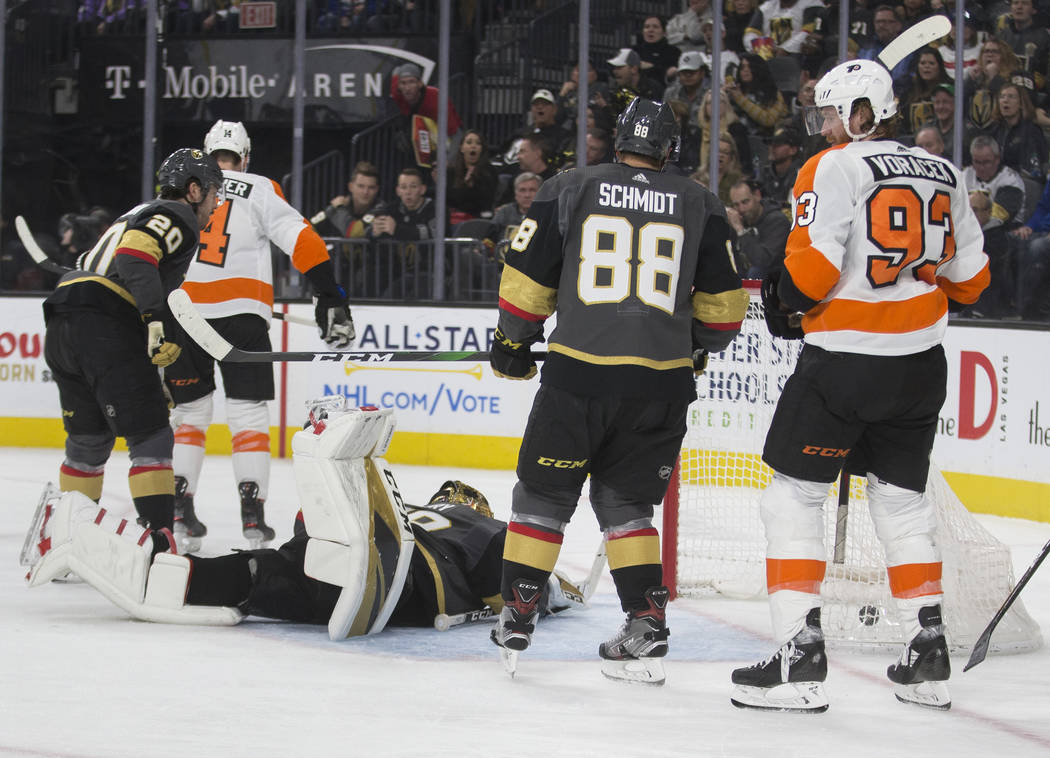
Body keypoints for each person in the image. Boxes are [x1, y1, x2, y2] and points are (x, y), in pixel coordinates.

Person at [731, 59, 988, 713]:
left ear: (863, 110)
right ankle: (927, 654)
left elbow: (813, 276)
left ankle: (799, 659)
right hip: (920, 368)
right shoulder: (945, 171)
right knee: (903, 507)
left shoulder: (831, 168)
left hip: (843, 365)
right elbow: (973, 281)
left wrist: (780, 284)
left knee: (792, 501)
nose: (823, 127)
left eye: (830, 114)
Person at [487, 97, 749, 684]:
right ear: (669, 149)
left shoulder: (569, 186)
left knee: (544, 495)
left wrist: (511, 342)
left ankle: (520, 609)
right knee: (628, 508)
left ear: (617, 140)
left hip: (579, 374)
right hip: (660, 386)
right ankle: (646, 622)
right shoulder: (702, 202)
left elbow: (528, 282)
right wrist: (700, 345)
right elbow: (727, 313)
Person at [21, 403, 587, 637]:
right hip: (396, 580)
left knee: (254, 573)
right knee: (275, 574)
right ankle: (348, 516)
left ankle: (341, 491)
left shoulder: (438, 510)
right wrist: (559, 590)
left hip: (371, 560)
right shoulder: (486, 529)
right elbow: (516, 580)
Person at [165, 121, 355, 553]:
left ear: (205, 152)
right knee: (247, 416)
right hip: (242, 316)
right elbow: (300, 239)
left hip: (185, 311)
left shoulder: (186, 187)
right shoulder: (259, 187)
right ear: (245, 157)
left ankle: (179, 508)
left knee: (190, 414)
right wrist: (329, 294)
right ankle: (253, 516)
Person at [40, 148, 222, 542]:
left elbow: (102, 264)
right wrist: (155, 318)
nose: (214, 205)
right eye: (212, 194)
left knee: (88, 441)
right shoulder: (179, 215)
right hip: (103, 321)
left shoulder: (131, 214)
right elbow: (135, 255)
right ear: (193, 190)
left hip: (63, 318)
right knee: (153, 434)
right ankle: (159, 542)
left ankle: (65, 538)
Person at [388, 62, 462, 174]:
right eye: (403, 83)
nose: (407, 88)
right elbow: (396, 71)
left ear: (420, 83)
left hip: (446, 138)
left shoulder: (435, 99)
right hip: (419, 137)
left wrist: (447, 162)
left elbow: (457, 135)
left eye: (411, 82)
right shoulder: (396, 92)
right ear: (399, 86)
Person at [984, 81, 1047, 181]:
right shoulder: (995, 129)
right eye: (1002, 96)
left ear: (1021, 104)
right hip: (997, 182)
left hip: (1026, 184)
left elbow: (1033, 169)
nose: (1005, 100)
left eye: (1011, 97)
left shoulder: (1031, 131)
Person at [726, 179, 790, 278]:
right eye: (736, 205)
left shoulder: (777, 221)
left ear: (757, 195)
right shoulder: (738, 220)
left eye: (745, 202)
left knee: (756, 271)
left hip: (774, 281)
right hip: (743, 281)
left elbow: (763, 261)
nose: (741, 209)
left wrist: (741, 230)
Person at [964, 134, 1027, 226]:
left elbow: (997, 219)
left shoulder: (1011, 181)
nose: (981, 168)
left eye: (986, 162)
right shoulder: (965, 175)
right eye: (977, 162)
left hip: (1004, 232)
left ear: (997, 159)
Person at [723, 53, 788, 139]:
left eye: (750, 67)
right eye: (742, 67)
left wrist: (740, 99)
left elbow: (768, 120)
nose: (745, 70)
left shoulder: (773, 93)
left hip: (766, 139)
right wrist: (722, 94)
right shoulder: (734, 91)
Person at [312, 161, 382, 239]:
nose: (365, 192)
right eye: (361, 186)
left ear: (377, 190)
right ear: (350, 187)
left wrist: (340, 208)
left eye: (371, 187)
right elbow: (308, 228)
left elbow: (353, 233)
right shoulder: (340, 205)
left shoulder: (381, 209)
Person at [446, 129, 499, 222]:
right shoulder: (451, 171)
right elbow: (450, 200)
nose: (473, 146)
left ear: (482, 149)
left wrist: (475, 183)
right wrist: (465, 184)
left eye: (478, 143)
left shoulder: (489, 171)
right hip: (456, 218)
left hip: (480, 218)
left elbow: (488, 201)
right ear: (461, 148)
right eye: (469, 142)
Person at [741, 0, 824, 59]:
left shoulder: (812, 4)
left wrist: (785, 49)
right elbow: (751, 32)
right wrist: (759, 47)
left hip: (797, 55)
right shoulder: (767, 7)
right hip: (767, 54)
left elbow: (807, 32)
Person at [898, 47, 952, 136]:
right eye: (922, 63)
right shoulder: (909, 91)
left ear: (939, 66)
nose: (926, 66)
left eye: (931, 63)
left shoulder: (949, 88)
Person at [759, 126, 804, 208]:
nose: (772, 147)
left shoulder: (801, 173)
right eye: (771, 143)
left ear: (793, 150)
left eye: (778, 144)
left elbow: (792, 207)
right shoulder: (765, 172)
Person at [631, 15, 682, 85]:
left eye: (655, 27)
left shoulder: (674, 52)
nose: (650, 30)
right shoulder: (634, 51)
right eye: (647, 27)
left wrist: (652, 67)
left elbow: (672, 74)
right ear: (643, 32)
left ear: (664, 32)